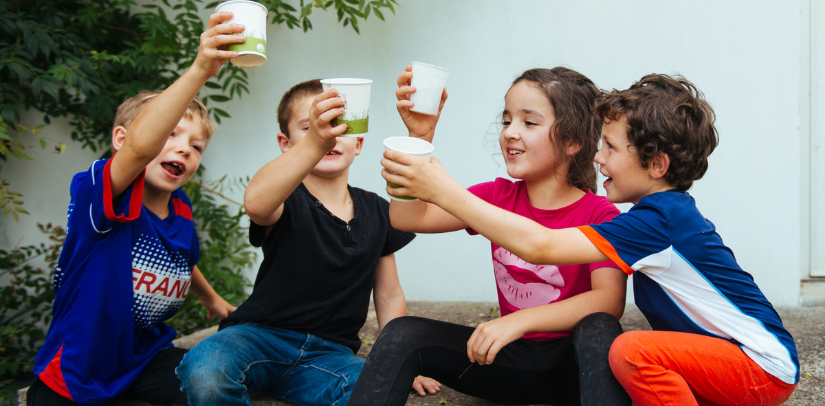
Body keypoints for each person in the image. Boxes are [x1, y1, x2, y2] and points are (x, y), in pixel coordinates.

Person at [378, 73, 799, 406]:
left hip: (760, 363)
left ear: (656, 164)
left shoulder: (656, 222)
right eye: (506, 119)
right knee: (635, 352)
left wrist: (443, 187)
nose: (599, 158)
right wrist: (418, 144)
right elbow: (406, 216)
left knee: (632, 350)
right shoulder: (651, 218)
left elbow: (542, 246)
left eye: (611, 148)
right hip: (722, 361)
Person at [348, 67, 631, 406]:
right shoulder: (495, 198)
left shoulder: (600, 215)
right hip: (505, 362)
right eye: (506, 120)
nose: (510, 132)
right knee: (401, 333)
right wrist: (418, 136)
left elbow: (608, 301)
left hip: (571, 369)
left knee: (599, 328)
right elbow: (407, 217)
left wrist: (521, 321)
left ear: (572, 142)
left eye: (529, 122)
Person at [175, 79, 441, 406]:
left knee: (381, 389)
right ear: (286, 144)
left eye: (338, 126)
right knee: (205, 371)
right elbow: (257, 203)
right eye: (313, 127)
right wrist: (314, 143)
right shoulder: (285, 198)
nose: (328, 134)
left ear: (358, 143)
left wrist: (397, 360)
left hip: (330, 355)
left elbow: (388, 293)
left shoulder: (377, 210)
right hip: (257, 337)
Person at [26, 11, 243, 406]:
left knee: (215, 383)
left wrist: (212, 299)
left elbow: (181, 260)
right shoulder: (105, 195)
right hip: (77, 369)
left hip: (146, 357)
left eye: (195, 146)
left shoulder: (180, 210)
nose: (183, 147)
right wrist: (200, 69)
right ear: (122, 138)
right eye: (170, 132)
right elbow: (140, 149)